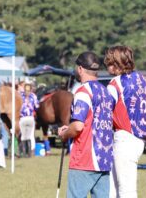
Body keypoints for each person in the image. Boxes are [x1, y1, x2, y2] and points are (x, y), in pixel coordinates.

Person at [104, 45, 146, 198]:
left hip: (124, 138)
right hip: (138, 140)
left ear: (117, 64)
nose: (107, 65)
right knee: (115, 188)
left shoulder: (115, 84)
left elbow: (105, 112)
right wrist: (145, 115)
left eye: (109, 62)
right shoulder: (141, 79)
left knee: (125, 190)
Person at [58, 51, 114, 198]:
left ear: (80, 69)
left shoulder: (83, 92)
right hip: (104, 158)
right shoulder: (106, 92)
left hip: (85, 159)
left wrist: (64, 133)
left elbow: (78, 126)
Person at [19, 82, 39, 157]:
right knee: (31, 135)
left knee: (23, 136)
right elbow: (37, 106)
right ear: (31, 89)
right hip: (30, 117)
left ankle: (24, 152)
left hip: (22, 118)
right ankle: (31, 151)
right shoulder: (33, 96)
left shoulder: (20, 95)